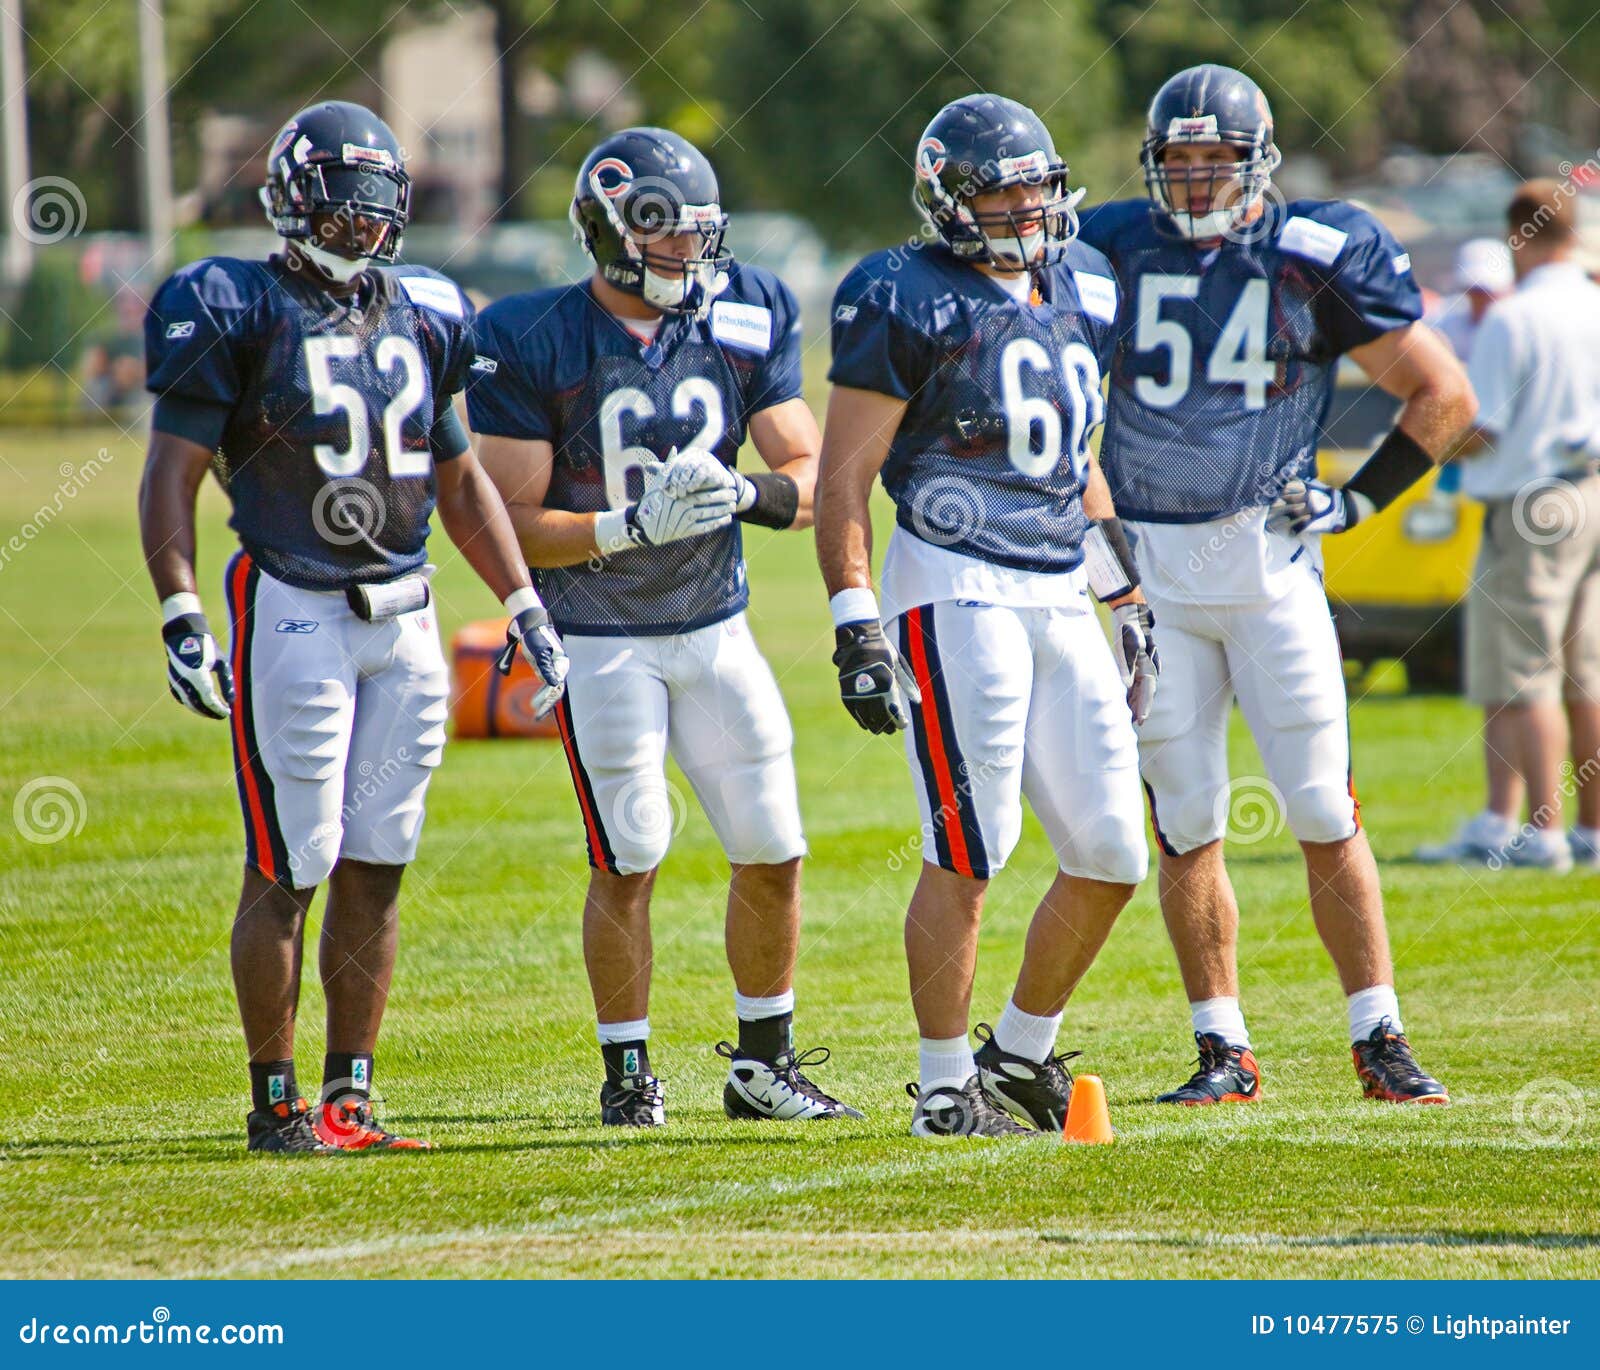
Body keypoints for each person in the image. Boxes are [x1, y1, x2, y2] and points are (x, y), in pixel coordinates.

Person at [138, 101, 568, 1154]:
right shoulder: (230, 298)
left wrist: (524, 601)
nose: (366, 217)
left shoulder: (426, 308)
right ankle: (275, 1100)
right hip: (293, 599)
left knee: (380, 853)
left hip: (407, 609)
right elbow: (172, 476)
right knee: (294, 859)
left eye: (381, 195)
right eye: (345, 194)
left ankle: (349, 1097)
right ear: (292, 196)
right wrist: (182, 610)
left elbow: (461, 480)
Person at [1076, 65, 1474, 1106]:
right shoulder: (1108, 244)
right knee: (1187, 819)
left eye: (1217, 159)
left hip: (1266, 564)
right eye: (1179, 159)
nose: (1198, 178)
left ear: (1258, 164)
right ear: (1151, 164)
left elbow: (1441, 392)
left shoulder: (1314, 252)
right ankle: (1223, 1046)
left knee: (1317, 803)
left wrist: (1358, 500)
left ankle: (1377, 1033)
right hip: (1149, 574)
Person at [467, 128, 859, 1127]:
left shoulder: (746, 312)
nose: (689, 255)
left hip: (715, 626)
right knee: (631, 851)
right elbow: (504, 521)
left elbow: (814, 480)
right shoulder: (531, 334)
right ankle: (627, 1070)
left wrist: (746, 489)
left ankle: (761, 1064)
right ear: (607, 234)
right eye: (667, 237)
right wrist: (620, 526)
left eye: (698, 236)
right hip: (598, 635)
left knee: (774, 845)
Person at [817, 94, 1156, 1138]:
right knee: (972, 845)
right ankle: (939, 1085)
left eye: (1034, 184)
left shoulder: (1087, 277)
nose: (1021, 205)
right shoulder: (897, 291)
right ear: (946, 201)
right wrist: (853, 619)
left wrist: (1125, 591)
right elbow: (842, 480)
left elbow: (1077, 456)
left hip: (1058, 581)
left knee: (1110, 853)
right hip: (955, 583)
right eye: (997, 188)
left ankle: (1015, 1056)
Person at [1417, 180, 1600, 872]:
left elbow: (1483, 429)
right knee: (1586, 673)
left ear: (1520, 233)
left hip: (1531, 503)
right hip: (1591, 491)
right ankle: (1590, 831)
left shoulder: (1514, 318)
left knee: (1526, 676)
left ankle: (1541, 833)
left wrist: (1427, 443)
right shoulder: (1595, 302)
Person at [1427, 237, 1513, 362]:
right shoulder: (1443, 323)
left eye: (1489, 291)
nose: (1481, 298)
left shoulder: (1523, 326)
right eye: (1474, 290)